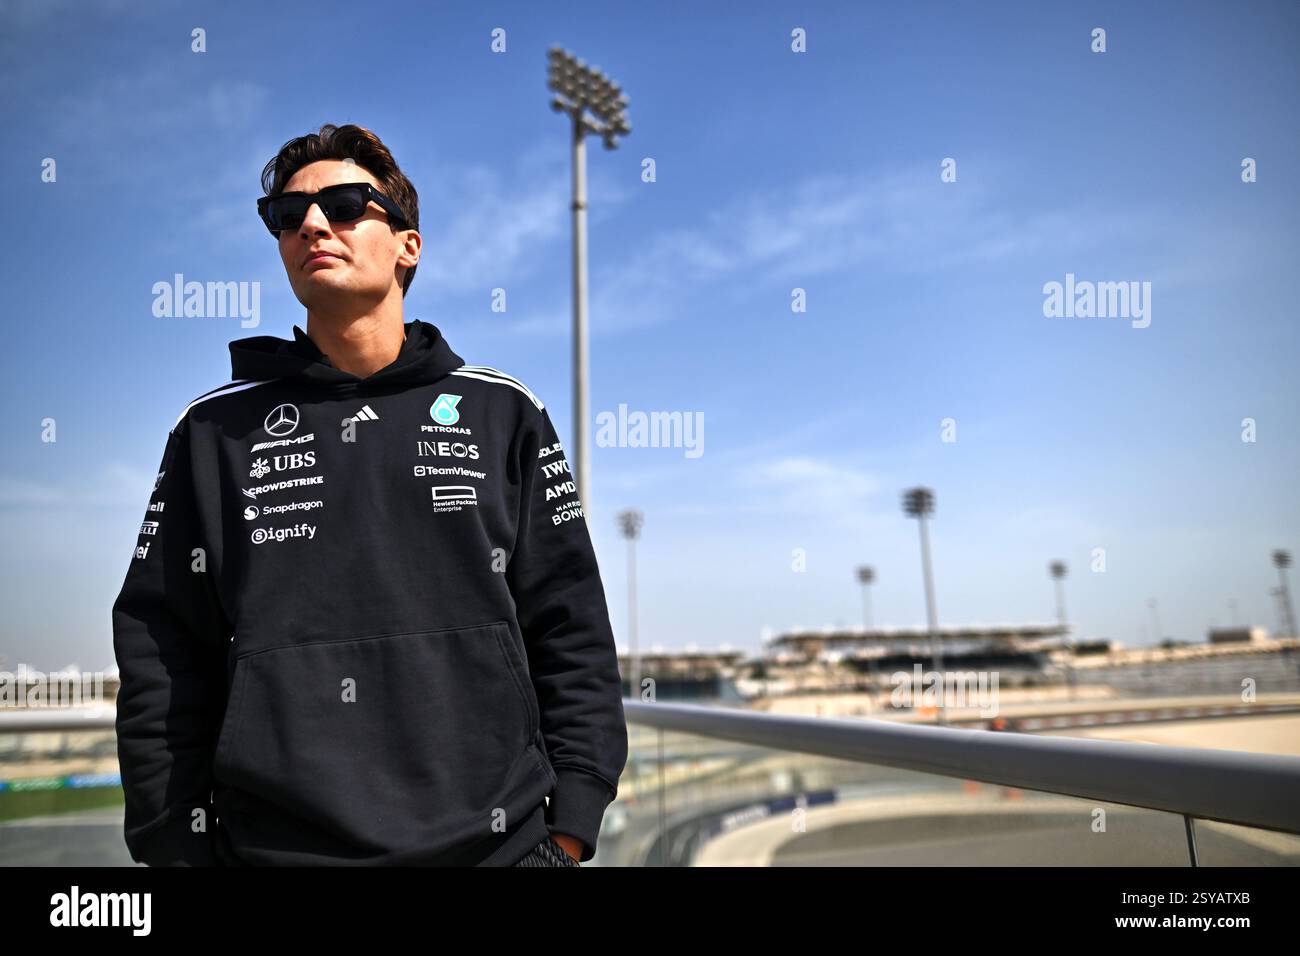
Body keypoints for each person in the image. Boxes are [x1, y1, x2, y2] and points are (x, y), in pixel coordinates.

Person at [111, 123, 628, 866]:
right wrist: (175, 848)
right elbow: (163, 653)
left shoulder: (503, 412)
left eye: (346, 204)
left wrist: (571, 830)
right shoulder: (213, 430)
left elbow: (570, 625)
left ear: (407, 245)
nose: (312, 226)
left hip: (500, 852)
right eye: (286, 218)